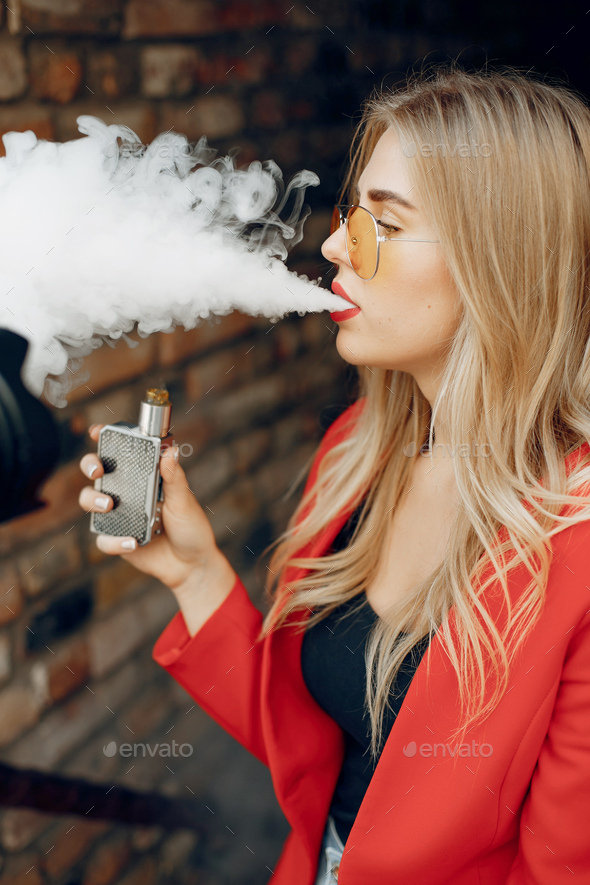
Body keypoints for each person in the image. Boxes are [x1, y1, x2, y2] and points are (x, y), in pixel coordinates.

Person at [78, 61, 590, 884]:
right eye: (355, 209)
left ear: (502, 262)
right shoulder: (361, 450)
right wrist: (197, 572)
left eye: (384, 223)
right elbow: (315, 745)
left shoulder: (579, 542)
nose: (332, 243)